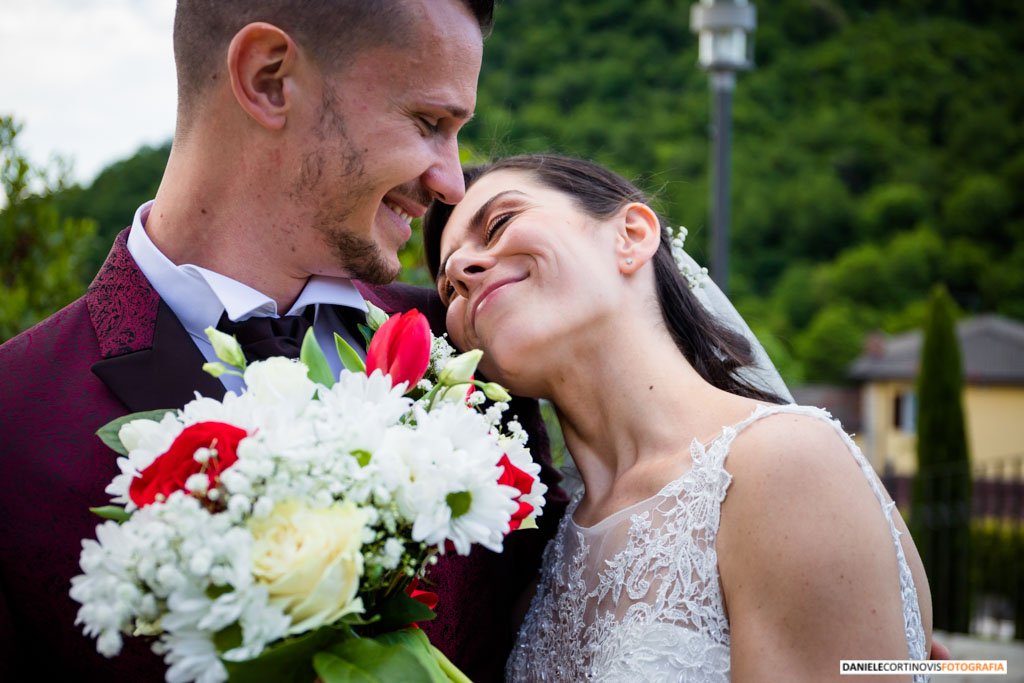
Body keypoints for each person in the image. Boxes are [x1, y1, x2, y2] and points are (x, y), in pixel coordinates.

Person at [0, 4, 566, 682]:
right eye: (428, 124)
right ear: (269, 79)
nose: (450, 181)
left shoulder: (467, 348)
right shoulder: (13, 415)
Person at [424, 154, 935, 681]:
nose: (461, 271)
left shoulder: (784, 465)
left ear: (632, 234)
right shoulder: (536, 576)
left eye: (500, 223)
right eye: (446, 288)